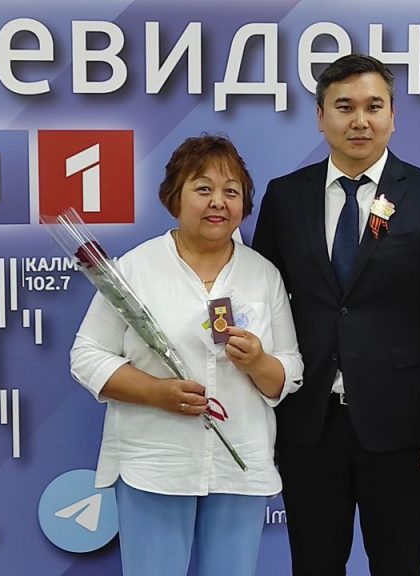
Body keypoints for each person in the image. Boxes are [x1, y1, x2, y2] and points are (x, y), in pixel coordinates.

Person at [252, 54, 420, 576]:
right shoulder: (286, 197)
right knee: (314, 564)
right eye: (345, 107)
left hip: (403, 428)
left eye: (374, 107)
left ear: (392, 116)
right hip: (309, 425)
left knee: (398, 564)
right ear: (320, 117)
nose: (360, 120)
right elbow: (262, 302)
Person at [70, 134, 303, 576]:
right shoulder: (135, 268)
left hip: (240, 465)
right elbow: (87, 355)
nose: (218, 202)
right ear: (173, 197)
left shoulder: (263, 274)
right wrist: (155, 392)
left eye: (231, 191)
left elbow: (290, 370)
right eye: (203, 188)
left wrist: (258, 363)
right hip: (155, 463)